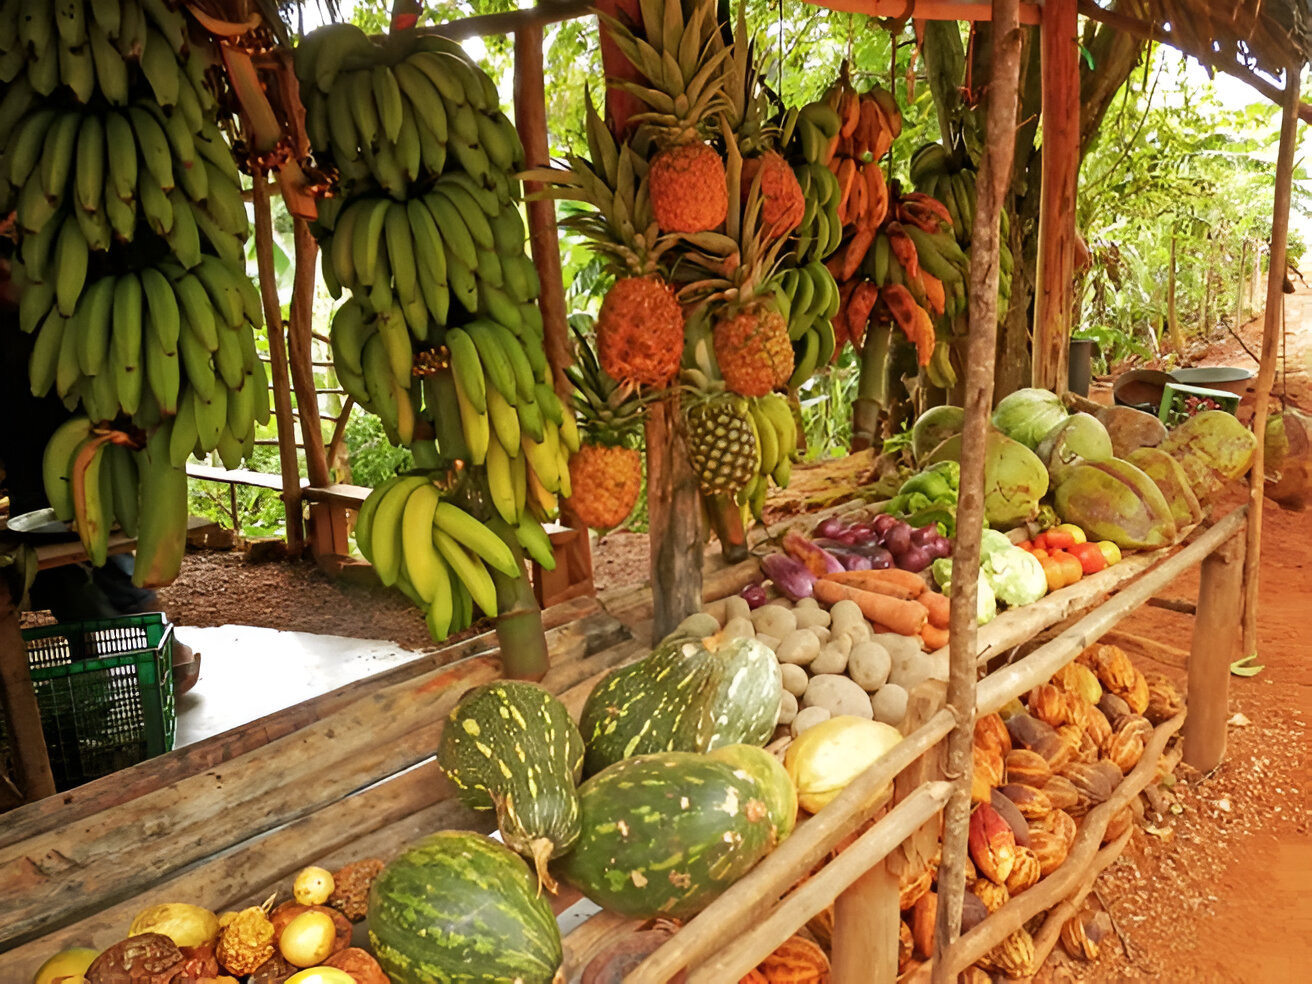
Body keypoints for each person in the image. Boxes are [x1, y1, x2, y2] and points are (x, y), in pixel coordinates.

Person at [0, 256, 199, 695]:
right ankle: (114, 665)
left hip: (87, 446)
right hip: (35, 476)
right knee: (63, 573)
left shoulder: (61, 311)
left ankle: (153, 649)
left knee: (109, 553)